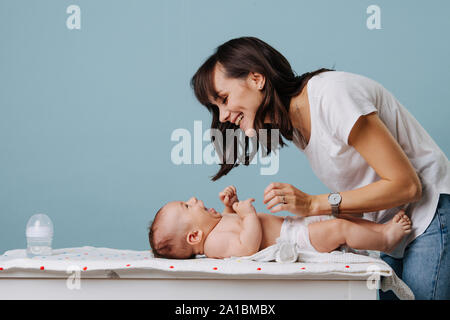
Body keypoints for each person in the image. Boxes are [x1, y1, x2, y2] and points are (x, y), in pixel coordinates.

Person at [190, 37, 450, 299]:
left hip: (430, 214)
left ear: (257, 79)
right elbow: (364, 184)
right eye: (216, 107)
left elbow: (407, 185)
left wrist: (313, 205)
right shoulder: (297, 129)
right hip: (395, 227)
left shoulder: (331, 96)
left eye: (224, 99)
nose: (222, 116)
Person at [149, 186, 411, 260]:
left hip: (294, 225)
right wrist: (249, 215)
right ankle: (385, 240)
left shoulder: (216, 227)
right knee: (338, 229)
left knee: (339, 216)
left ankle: (375, 230)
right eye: (187, 206)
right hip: (295, 241)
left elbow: (232, 222)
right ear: (194, 237)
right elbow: (245, 247)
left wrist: (231, 205)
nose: (193, 198)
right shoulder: (214, 244)